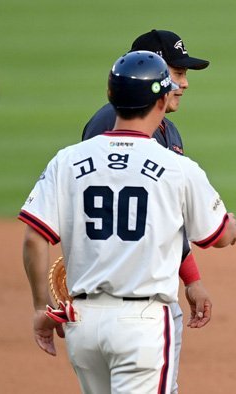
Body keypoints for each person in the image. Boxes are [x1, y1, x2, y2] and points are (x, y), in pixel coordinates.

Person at [20, 51, 236, 394]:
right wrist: (232, 226)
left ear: (111, 96)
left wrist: (40, 307)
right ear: (163, 98)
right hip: (143, 326)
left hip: (83, 324)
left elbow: (34, 237)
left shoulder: (67, 160)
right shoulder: (177, 168)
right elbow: (220, 234)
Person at [82, 29, 211, 393]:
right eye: (177, 72)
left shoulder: (168, 132)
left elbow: (164, 218)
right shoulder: (109, 129)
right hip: (126, 301)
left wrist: (192, 278)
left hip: (142, 297)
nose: (184, 83)